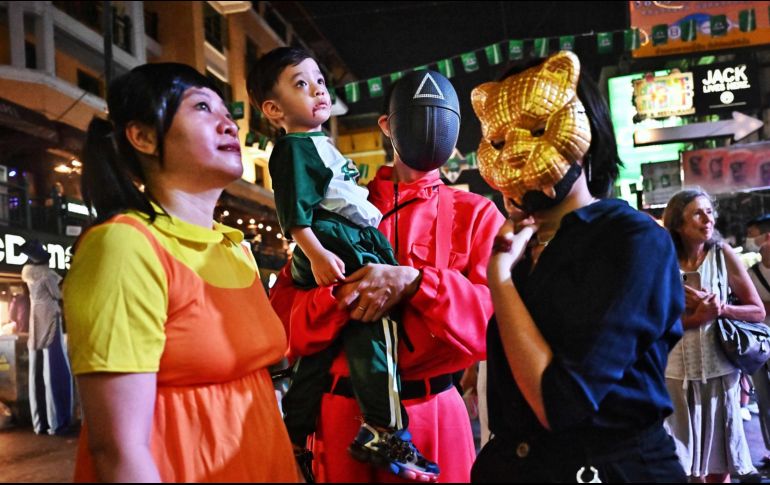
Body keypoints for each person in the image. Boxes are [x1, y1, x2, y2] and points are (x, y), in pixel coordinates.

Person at [62, 63, 298, 482]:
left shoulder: (234, 247)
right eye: (203, 108)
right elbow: (118, 449)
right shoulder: (125, 245)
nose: (229, 125)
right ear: (144, 137)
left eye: (228, 113)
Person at [268, 68, 505, 482]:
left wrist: (416, 283)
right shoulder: (339, 207)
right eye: (417, 115)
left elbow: (498, 322)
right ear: (386, 125)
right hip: (339, 413)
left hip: (433, 412)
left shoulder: (476, 214)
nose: (430, 128)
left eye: (443, 117)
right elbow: (282, 317)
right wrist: (339, 298)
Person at [470, 51, 686, 483]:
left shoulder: (632, 239)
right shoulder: (519, 247)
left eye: (536, 128)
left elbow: (561, 403)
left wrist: (500, 282)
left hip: (609, 470)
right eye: (499, 139)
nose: (514, 151)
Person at [247, 47, 438, 482]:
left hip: (340, 236)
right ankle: (383, 428)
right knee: (378, 321)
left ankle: (293, 432)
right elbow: (294, 213)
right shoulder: (295, 148)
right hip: (338, 238)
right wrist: (315, 253)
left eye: (318, 80)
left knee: (321, 345)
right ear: (274, 109)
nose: (317, 88)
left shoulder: (313, 143)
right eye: (301, 84)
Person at [662, 189, 764, 482]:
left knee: (719, 466)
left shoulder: (722, 254)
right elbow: (652, 321)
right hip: (677, 375)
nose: (707, 219)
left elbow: (756, 310)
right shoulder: (664, 260)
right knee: (683, 465)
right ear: (678, 223)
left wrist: (721, 309)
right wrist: (693, 318)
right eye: (697, 213)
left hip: (720, 373)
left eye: (709, 211)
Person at [19, 240, 72, 436]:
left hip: (35, 318)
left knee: (36, 369)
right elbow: (58, 294)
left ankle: (39, 422)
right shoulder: (47, 274)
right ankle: (57, 420)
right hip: (50, 317)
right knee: (54, 368)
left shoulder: (27, 272)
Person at [744, 215, 770, 469]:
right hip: (758, 345)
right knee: (763, 399)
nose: (749, 240)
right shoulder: (750, 273)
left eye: (752, 234)